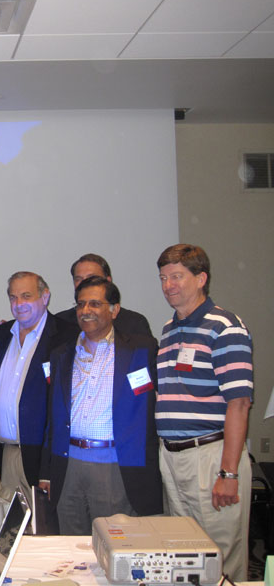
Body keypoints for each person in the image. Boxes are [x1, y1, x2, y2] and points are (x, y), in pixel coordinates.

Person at [155, 244, 253, 581]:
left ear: (201, 279)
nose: (168, 285)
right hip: (173, 458)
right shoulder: (169, 329)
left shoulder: (225, 327)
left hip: (211, 457)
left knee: (220, 558)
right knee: (184, 557)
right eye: (163, 278)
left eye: (177, 276)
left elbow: (239, 404)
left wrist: (228, 473)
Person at [40, 276, 162, 534]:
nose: (86, 310)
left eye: (95, 304)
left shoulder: (142, 350)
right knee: (70, 544)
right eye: (81, 304)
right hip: (68, 466)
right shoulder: (61, 354)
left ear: (114, 310)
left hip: (115, 466)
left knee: (115, 543)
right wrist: (47, 471)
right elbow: (53, 417)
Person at [0, 272, 78, 525]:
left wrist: (49, 469)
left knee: (44, 531)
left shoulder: (67, 337)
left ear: (45, 297)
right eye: (13, 297)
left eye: (26, 296)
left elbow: (64, 407)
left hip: (42, 458)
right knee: (8, 531)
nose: (19, 304)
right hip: (6, 454)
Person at [56, 253, 153, 338]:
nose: (85, 283)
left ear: (108, 281)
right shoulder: (59, 323)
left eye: (92, 277)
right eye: (78, 279)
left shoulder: (134, 323)